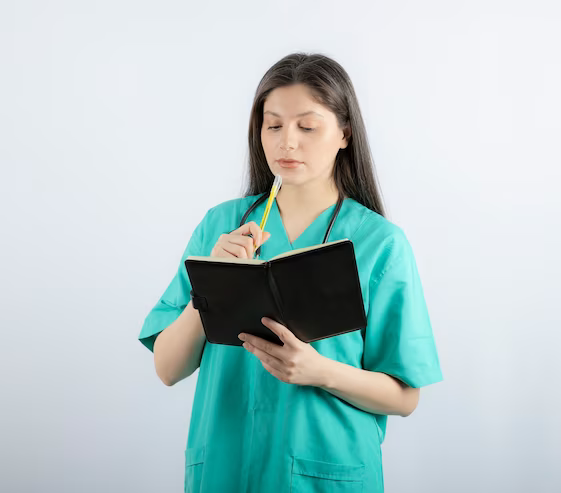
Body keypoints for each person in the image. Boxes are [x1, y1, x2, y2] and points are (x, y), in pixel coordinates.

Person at [138, 52, 443, 493]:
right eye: (273, 125)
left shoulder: (380, 244)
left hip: (329, 474)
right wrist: (210, 286)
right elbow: (167, 368)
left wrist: (318, 371)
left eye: (307, 126)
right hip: (226, 467)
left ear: (344, 133)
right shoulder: (220, 227)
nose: (287, 143)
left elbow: (405, 397)